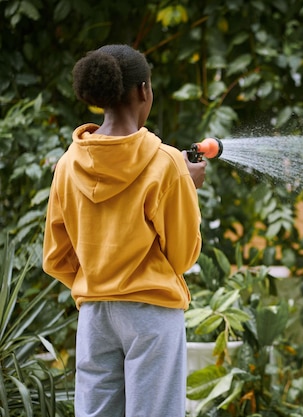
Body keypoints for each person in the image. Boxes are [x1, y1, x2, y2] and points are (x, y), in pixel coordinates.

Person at [42, 44, 207, 417]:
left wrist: (100, 280)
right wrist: (187, 185)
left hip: (95, 314)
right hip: (151, 314)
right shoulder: (167, 163)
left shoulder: (68, 165)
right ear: (143, 90)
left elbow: (56, 256)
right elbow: (182, 256)